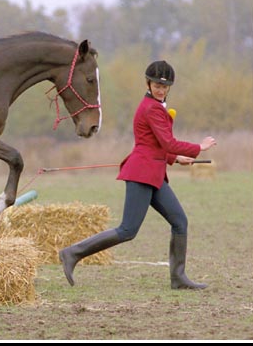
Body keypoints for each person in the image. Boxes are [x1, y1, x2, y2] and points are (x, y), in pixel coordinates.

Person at [59, 60, 217, 290]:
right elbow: (167, 141)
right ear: (148, 83)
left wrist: (174, 158)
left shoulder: (156, 107)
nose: (160, 89)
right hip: (142, 174)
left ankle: (178, 277)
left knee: (179, 221)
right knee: (127, 230)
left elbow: (153, 144)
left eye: (164, 86)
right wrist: (198, 147)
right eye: (156, 85)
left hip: (154, 174)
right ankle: (71, 253)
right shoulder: (151, 108)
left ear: (169, 87)